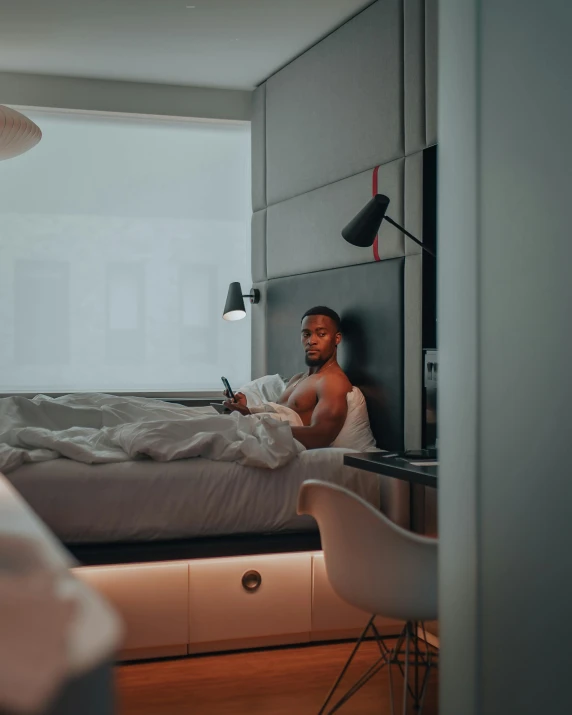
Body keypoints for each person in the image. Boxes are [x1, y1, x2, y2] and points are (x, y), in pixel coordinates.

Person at [223, 306, 352, 449]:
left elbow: (319, 436)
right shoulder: (297, 379)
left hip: (271, 441)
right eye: (306, 334)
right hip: (261, 434)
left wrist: (257, 426)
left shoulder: (332, 382)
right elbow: (279, 415)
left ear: (337, 338)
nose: (311, 341)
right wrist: (247, 408)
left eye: (321, 334)